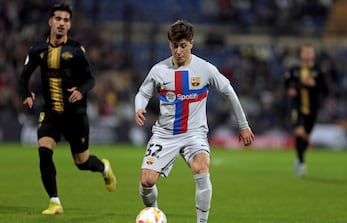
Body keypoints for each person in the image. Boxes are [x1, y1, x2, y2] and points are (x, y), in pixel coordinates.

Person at [134, 20, 254, 223]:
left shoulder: (205, 69)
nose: (178, 51)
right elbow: (143, 92)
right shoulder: (159, 70)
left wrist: (243, 126)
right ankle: (154, 214)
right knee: (146, 181)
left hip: (194, 133)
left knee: (201, 168)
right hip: (165, 133)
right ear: (170, 44)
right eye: (174, 46)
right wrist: (139, 106)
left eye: (183, 46)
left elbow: (229, 92)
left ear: (191, 43)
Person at [18, 3, 116, 215]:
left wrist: (81, 90)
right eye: (58, 19)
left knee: (81, 162)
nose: (62, 23)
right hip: (51, 112)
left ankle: (103, 168)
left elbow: (90, 79)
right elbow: (23, 77)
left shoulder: (76, 50)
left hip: (75, 115)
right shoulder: (37, 50)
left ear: (69, 24)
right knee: (44, 152)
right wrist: (26, 93)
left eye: (66, 20)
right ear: (51, 22)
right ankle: (54, 201)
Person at [284, 44, 328, 176]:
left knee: (305, 136)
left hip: (312, 108)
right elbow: (287, 82)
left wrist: (314, 85)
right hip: (296, 106)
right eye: (305, 52)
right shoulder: (294, 70)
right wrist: (290, 89)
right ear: (301, 54)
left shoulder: (318, 71)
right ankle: (301, 163)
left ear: (313, 54)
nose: (308, 54)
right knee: (299, 131)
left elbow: (326, 90)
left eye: (310, 52)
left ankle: (299, 158)